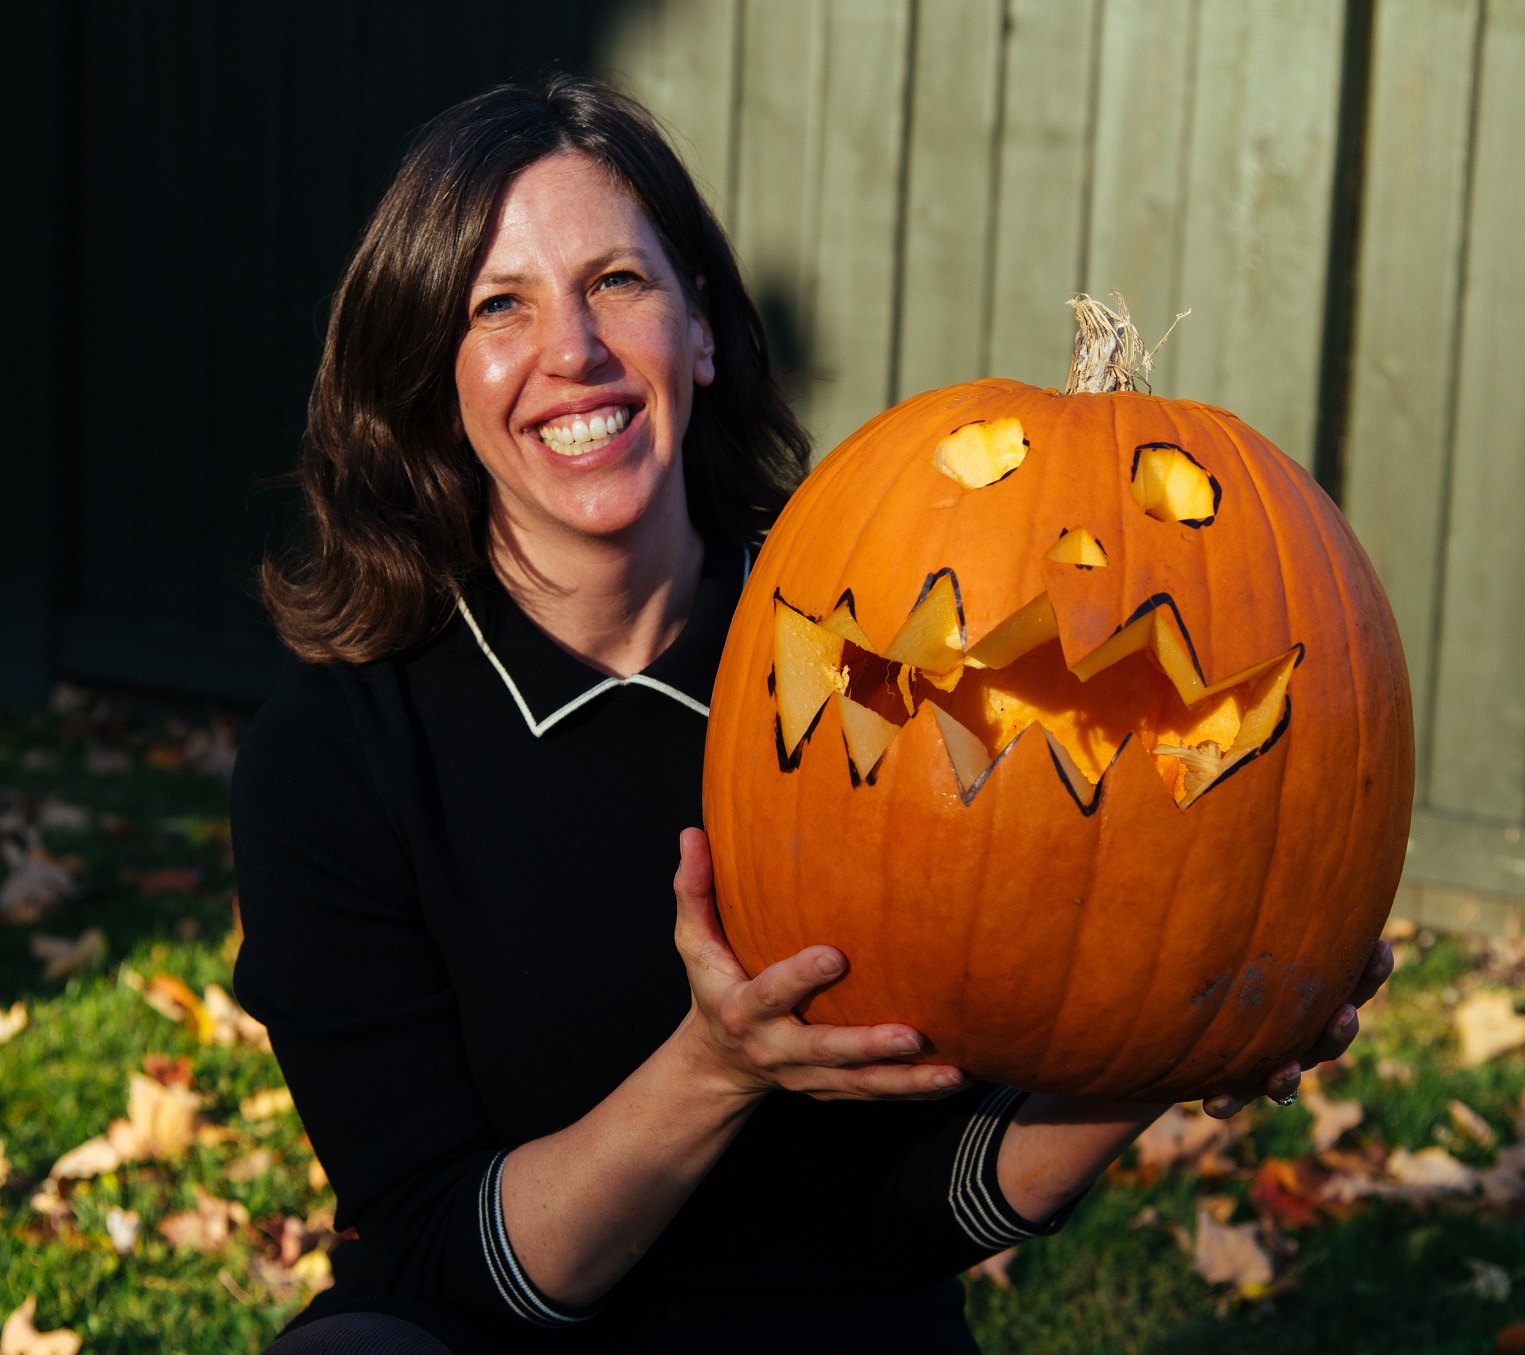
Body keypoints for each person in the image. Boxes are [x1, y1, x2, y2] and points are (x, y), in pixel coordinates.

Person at [232, 77, 1392, 1355]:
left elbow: (914, 1208)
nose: (573, 351)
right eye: (498, 305)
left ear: (705, 331)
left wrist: (1174, 1049)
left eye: (617, 282)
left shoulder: (879, 647)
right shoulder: (337, 747)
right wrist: (717, 1066)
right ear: (427, 378)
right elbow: (439, 1249)